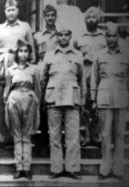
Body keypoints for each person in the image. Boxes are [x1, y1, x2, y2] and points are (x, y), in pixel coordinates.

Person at [0, 0, 34, 149]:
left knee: (19, 102)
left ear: (18, 10)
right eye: (8, 10)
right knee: (3, 102)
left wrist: (31, 67)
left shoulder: (25, 27)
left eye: (13, 9)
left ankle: (20, 137)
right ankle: (2, 137)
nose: (10, 13)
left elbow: (31, 50)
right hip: (3, 67)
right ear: (4, 11)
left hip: (20, 66)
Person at [42, 24, 85, 180]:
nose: (63, 37)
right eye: (60, 35)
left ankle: (72, 168)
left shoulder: (78, 55)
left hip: (72, 99)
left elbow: (82, 79)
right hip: (53, 98)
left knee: (73, 136)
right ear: (56, 37)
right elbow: (43, 78)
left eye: (66, 34)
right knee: (54, 136)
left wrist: (83, 99)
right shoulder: (49, 55)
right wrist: (43, 100)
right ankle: (57, 168)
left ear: (70, 36)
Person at [91, 22, 129, 180]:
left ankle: (119, 167)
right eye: (108, 35)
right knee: (105, 134)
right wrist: (93, 100)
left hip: (121, 98)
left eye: (114, 35)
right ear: (105, 37)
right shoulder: (99, 55)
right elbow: (94, 79)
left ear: (118, 37)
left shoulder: (126, 55)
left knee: (120, 134)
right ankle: (105, 167)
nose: (111, 38)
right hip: (104, 97)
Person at [4, 39, 41, 179]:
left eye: (26, 51)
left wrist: (36, 102)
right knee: (17, 134)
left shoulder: (34, 69)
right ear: (17, 53)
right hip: (14, 99)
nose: (23, 54)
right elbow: (7, 88)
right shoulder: (11, 70)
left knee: (27, 134)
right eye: (21, 51)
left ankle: (27, 167)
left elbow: (38, 88)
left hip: (29, 99)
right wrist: (6, 100)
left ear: (29, 53)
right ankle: (19, 167)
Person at [75, 6, 106, 147]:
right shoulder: (79, 37)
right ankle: (85, 135)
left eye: (94, 17)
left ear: (98, 19)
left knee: (99, 105)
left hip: (100, 75)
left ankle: (97, 135)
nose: (91, 20)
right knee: (84, 106)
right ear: (85, 19)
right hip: (85, 74)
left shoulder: (104, 37)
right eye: (88, 17)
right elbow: (74, 56)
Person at [33, 4, 58, 148]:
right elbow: (34, 57)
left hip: (55, 72)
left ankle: (53, 139)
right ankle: (41, 138)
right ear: (44, 17)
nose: (50, 18)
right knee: (41, 104)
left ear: (56, 16)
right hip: (42, 71)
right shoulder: (38, 36)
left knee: (53, 105)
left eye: (52, 15)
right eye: (48, 15)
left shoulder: (61, 34)